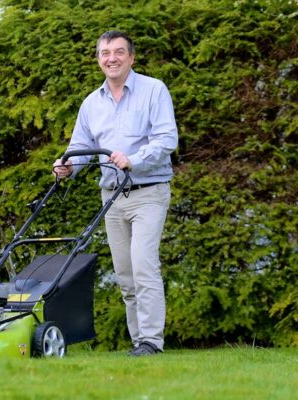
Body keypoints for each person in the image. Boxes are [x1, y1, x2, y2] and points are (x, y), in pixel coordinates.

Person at [53, 31, 178, 356]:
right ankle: (140, 343)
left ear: (131, 57)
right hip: (111, 197)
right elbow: (80, 147)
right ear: (98, 59)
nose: (112, 58)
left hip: (148, 191)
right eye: (105, 53)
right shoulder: (91, 103)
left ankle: (152, 341)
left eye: (119, 52)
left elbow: (167, 138)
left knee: (143, 265)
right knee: (124, 273)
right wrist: (67, 165)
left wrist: (133, 159)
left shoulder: (154, 90)